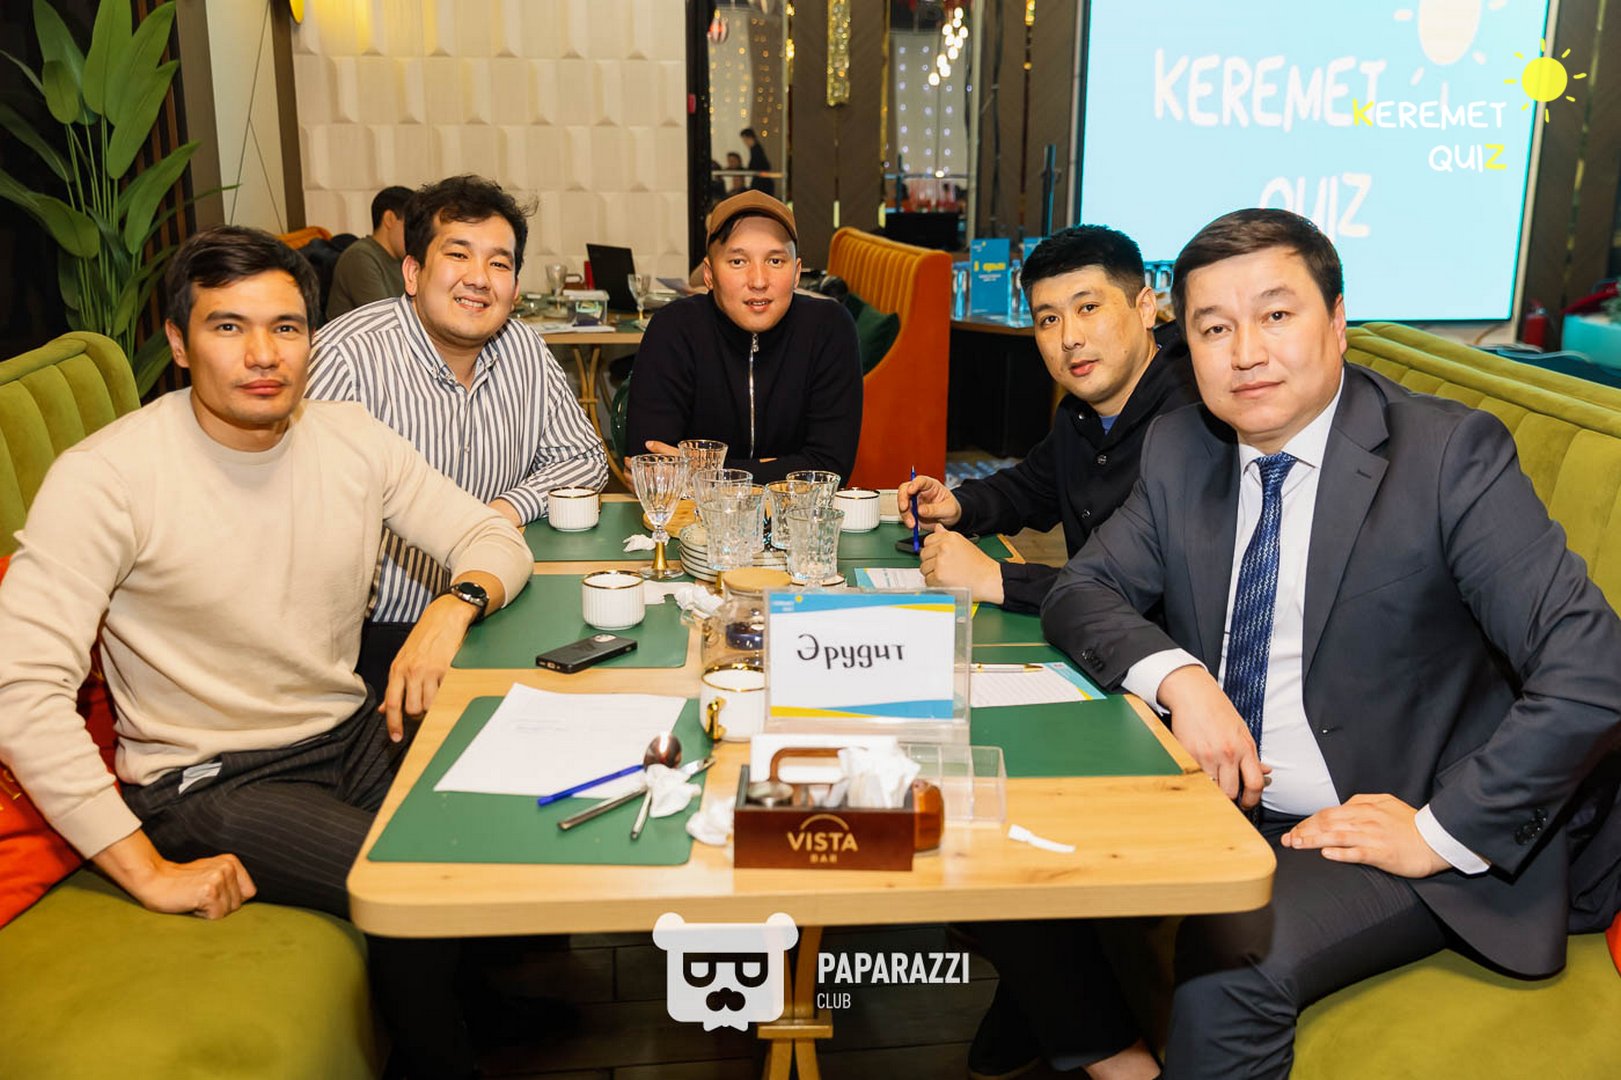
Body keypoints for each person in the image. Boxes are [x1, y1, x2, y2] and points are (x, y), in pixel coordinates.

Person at [1028, 208, 1621, 1078]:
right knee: (1014, 845)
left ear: (1337, 322)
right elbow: (1082, 589)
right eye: (1213, 328)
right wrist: (1183, 680)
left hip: (1387, 819)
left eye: (1275, 315)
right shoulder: (1183, 448)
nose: (1244, 353)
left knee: (1230, 967)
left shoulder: (1445, 456)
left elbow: (1592, 669)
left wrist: (1439, 830)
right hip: (1228, 796)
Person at [0, 225, 534, 1077]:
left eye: (285, 328)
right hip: (208, 778)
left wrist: (452, 605)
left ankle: (473, 1004)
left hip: (349, 733)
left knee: (511, 801)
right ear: (179, 343)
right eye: (228, 326)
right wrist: (145, 870)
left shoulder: (348, 438)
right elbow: (20, 691)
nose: (262, 355)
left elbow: (490, 536)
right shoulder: (107, 477)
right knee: (412, 873)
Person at [308, 175, 607, 693]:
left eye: (499, 264)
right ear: (413, 272)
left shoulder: (524, 349)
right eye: (458, 255)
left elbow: (584, 458)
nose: (479, 279)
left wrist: (502, 512)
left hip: (498, 608)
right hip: (376, 637)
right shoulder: (347, 358)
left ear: (515, 288)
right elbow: (303, 518)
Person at [898, 225, 1198, 613]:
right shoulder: (1079, 413)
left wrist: (994, 579)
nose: (1069, 338)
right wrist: (957, 505)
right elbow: (1030, 488)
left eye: (1088, 308)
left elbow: (1140, 590)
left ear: (1144, 308)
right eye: (1049, 319)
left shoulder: (1192, 421)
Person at [625, 190, 862, 483]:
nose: (759, 281)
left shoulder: (829, 328)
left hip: (799, 514)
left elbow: (829, 467)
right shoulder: (673, 329)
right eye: (738, 262)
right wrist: (774, 468)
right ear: (709, 274)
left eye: (775, 261)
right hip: (694, 514)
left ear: (797, 272)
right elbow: (650, 468)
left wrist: (699, 472)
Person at [326, 184, 411, 320]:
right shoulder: (359, 257)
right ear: (389, 219)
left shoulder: (404, 259)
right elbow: (383, 318)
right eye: (411, 226)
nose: (417, 234)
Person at [740, 128, 775, 195]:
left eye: (745, 140)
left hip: (762, 183)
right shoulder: (755, 149)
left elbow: (755, 165)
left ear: (750, 138)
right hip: (762, 181)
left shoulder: (756, 150)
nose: (745, 143)